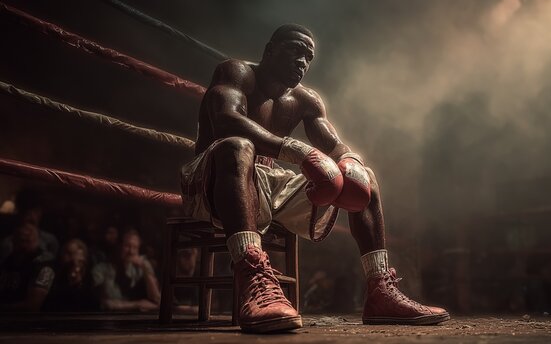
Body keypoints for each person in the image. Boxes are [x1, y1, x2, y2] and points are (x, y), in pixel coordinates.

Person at [181, 23, 449, 333]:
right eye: (294, 51)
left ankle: (380, 293)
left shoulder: (305, 101)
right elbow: (226, 121)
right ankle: (252, 276)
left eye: (308, 57)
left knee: (364, 177)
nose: (301, 62)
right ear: (269, 50)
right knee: (237, 147)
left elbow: (337, 147)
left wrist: (349, 161)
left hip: (268, 184)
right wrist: (295, 149)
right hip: (210, 183)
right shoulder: (237, 73)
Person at [92, 229, 161, 311]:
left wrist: (145, 268)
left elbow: (156, 299)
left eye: (135, 247)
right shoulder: (101, 269)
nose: (131, 251)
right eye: (127, 246)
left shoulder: (140, 269)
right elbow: (101, 303)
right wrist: (137, 304)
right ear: (119, 246)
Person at [0, 222, 55, 311]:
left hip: (27, 322)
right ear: (13, 240)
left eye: (28, 239)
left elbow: (32, 306)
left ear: (36, 241)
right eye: (20, 238)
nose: (24, 237)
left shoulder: (42, 264)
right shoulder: (8, 262)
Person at [43, 239, 99, 312]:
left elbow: (93, 303)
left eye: (79, 259)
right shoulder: (53, 273)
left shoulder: (88, 276)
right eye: (69, 254)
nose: (74, 259)